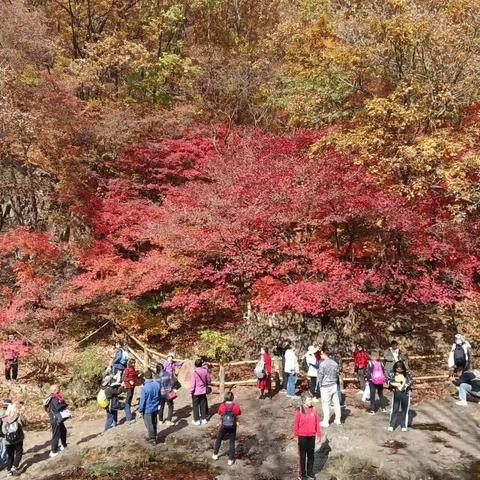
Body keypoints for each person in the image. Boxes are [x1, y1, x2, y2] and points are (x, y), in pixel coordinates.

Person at [294, 392, 321, 480]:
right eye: (309, 400)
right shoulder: (299, 410)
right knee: (302, 456)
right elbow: (296, 424)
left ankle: (310, 472)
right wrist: (296, 436)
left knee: (311, 455)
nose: (311, 401)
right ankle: (302, 474)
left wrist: (318, 435)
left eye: (311, 399)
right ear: (304, 401)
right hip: (302, 436)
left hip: (311, 436)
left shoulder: (314, 410)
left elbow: (317, 423)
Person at [212, 391, 241, 466]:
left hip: (223, 425)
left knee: (219, 439)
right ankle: (230, 460)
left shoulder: (222, 405)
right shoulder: (236, 406)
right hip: (232, 425)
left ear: (225, 397)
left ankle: (215, 454)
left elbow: (219, 413)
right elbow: (239, 413)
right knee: (232, 442)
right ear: (233, 398)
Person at [317, 349, 341, 427]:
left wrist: (320, 384)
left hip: (325, 386)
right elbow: (337, 374)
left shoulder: (322, 364)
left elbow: (320, 375)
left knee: (325, 404)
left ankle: (326, 421)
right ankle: (338, 419)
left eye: (321, 354)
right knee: (336, 403)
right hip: (333, 384)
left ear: (324, 354)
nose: (320, 355)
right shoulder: (335, 363)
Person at [43, 385, 69, 457]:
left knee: (63, 430)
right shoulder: (53, 398)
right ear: (54, 390)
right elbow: (57, 407)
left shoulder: (52, 397)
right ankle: (53, 451)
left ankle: (64, 445)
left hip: (57, 418)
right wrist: (65, 405)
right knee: (56, 435)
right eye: (58, 389)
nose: (59, 390)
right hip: (55, 419)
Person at [387, 360, 413, 432]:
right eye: (397, 368)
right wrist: (396, 385)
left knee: (404, 409)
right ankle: (392, 425)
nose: (399, 370)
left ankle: (403, 425)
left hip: (405, 392)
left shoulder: (407, 373)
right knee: (395, 409)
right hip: (396, 392)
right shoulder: (392, 372)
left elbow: (410, 380)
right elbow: (389, 380)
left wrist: (405, 386)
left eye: (400, 369)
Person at [2, 401, 25, 476]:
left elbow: (3, 430)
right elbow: (24, 423)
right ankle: (14, 467)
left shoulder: (4, 417)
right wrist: (21, 415)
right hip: (18, 439)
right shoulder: (18, 416)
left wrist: (7, 434)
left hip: (8, 440)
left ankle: (9, 471)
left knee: (10, 455)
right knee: (19, 452)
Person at [138, 370, 161, 444]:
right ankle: (154, 435)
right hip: (155, 407)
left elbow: (142, 400)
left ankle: (152, 438)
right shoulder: (157, 384)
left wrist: (140, 409)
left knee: (149, 423)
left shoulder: (144, 388)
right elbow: (159, 396)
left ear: (145, 377)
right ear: (152, 376)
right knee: (154, 422)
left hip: (147, 409)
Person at [190, 358, 211, 425]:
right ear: (201, 364)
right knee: (203, 405)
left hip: (196, 392)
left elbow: (193, 384)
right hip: (203, 391)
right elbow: (209, 380)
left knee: (195, 406)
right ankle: (204, 419)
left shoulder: (194, 373)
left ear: (195, 365)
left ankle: (197, 420)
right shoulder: (205, 371)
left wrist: (191, 391)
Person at [366, 351, 387, 415]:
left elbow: (369, 373)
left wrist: (368, 380)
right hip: (380, 381)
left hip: (372, 381)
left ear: (372, 356)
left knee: (372, 396)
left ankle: (372, 410)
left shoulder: (370, 363)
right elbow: (383, 372)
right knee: (381, 394)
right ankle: (383, 408)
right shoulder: (381, 363)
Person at [123, 358, 137, 424]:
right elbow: (124, 378)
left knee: (130, 399)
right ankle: (128, 417)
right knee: (127, 401)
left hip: (133, 386)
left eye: (134, 363)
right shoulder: (127, 369)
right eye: (132, 363)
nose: (133, 364)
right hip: (129, 386)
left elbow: (134, 376)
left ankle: (129, 414)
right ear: (130, 363)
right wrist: (129, 381)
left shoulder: (133, 369)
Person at [0, 400, 12, 468]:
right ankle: (1, 463)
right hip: (3, 433)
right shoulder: (6, 413)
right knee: (3, 449)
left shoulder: (1, 411)